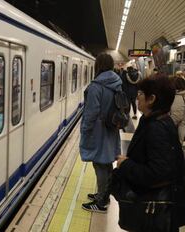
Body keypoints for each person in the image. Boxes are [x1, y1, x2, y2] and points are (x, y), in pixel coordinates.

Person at [116, 75, 185, 232]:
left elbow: (158, 173)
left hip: (155, 213)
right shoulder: (154, 120)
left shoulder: (157, 128)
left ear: (152, 99)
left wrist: (126, 164)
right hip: (152, 210)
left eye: (141, 93)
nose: (137, 96)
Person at [80, 53, 122, 213]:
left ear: (98, 65)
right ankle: (103, 194)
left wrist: (85, 130)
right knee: (106, 164)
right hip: (111, 128)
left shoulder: (96, 86)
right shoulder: (116, 82)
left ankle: (102, 202)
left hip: (98, 130)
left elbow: (91, 112)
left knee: (99, 164)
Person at [170, 76, 185, 143]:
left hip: (174, 135)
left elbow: (175, 118)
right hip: (178, 133)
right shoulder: (183, 95)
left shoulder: (178, 98)